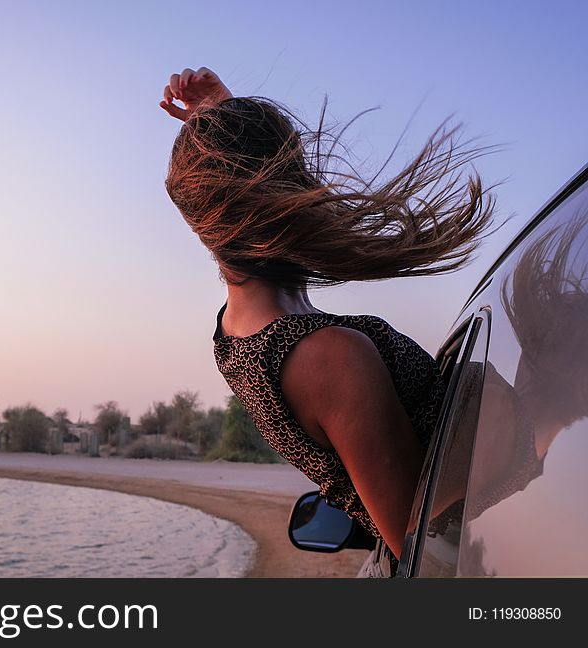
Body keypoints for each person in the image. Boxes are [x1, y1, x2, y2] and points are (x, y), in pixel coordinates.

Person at [159, 66, 507, 572]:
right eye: (298, 171)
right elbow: (425, 549)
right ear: (283, 191)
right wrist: (531, 430)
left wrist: (218, 120)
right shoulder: (327, 356)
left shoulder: (237, 336)